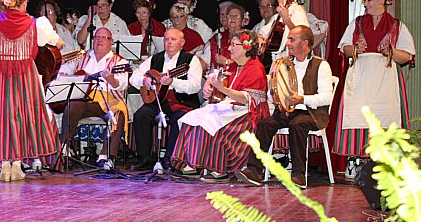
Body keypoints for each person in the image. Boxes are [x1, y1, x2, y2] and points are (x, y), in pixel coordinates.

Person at [0, 0, 64, 181]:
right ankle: (17, 164)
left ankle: (5, 165)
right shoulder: (36, 24)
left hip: (0, 75)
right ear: (24, 2)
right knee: (23, 115)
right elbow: (58, 43)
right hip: (25, 75)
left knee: (1, 117)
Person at [235, 25, 334, 188]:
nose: (287, 43)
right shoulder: (283, 64)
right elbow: (273, 93)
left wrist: (302, 99)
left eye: (292, 39)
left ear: (305, 43)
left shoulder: (320, 65)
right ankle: (254, 170)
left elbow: (326, 97)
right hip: (287, 111)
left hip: (311, 113)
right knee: (265, 125)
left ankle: (298, 174)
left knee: (298, 125)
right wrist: (274, 95)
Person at [170, 30, 269, 182]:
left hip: (248, 114)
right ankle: (191, 165)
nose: (229, 49)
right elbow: (216, 75)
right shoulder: (235, 66)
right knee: (192, 117)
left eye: (234, 45)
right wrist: (209, 84)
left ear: (246, 47)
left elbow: (247, 100)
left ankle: (219, 169)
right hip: (232, 108)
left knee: (212, 122)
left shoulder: (256, 68)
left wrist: (222, 89)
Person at [333, 0, 415, 160]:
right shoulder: (357, 23)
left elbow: (407, 56)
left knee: (385, 115)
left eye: (369, 0)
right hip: (361, 75)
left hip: (386, 77)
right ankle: (356, 158)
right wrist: (354, 48)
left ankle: (386, 158)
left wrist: (392, 52)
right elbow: (344, 48)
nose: (366, 4)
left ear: (382, 1)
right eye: (365, 0)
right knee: (359, 114)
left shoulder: (396, 25)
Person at [129, 28, 203, 171]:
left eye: (173, 39)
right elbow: (133, 77)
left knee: (181, 119)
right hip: (157, 100)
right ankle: (144, 158)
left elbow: (195, 87)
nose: (169, 43)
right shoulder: (155, 58)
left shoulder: (191, 61)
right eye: (166, 39)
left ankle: (171, 159)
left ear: (182, 42)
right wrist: (143, 80)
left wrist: (173, 82)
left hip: (180, 101)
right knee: (141, 115)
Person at [56, 27, 129, 169]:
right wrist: (71, 78)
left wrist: (111, 79)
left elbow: (122, 85)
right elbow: (62, 72)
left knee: (118, 113)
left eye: (104, 38)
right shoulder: (81, 56)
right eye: (97, 37)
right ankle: (64, 149)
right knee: (72, 106)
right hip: (85, 100)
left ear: (111, 42)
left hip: (108, 101)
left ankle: (106, 157)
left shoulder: (119, 62)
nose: (100, 40)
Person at [257, 0, 309, 69]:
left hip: (293, 61)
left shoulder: (298, 10)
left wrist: (286, 19)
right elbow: (263, 32)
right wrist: (260, 38)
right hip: (278, 61)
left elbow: (302, 35)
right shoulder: (277, 16)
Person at [203, 4, 246, 70]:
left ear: (243, 21)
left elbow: (247, 63)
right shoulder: (218, 37)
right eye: (230, 16)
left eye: (236, 16)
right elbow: (205, 60)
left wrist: (226, 62)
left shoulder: (247, 39)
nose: (233, 18)